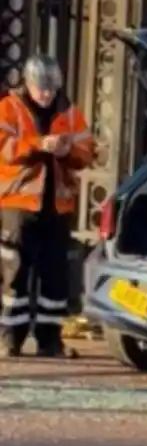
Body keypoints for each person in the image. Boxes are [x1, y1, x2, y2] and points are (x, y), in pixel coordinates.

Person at [0, 55, 94, 358]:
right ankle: (9, 339)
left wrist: (68, 151)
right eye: (42, 89)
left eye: (52, 89)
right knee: (14, 273)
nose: (47, 95)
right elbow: (4, 148)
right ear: (28, 84)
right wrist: (38, 145)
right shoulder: (9, 108)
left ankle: (50, 341)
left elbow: (87, 152)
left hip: (57, 206)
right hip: (18, 204)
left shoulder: (69, 113)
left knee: (55, 276)